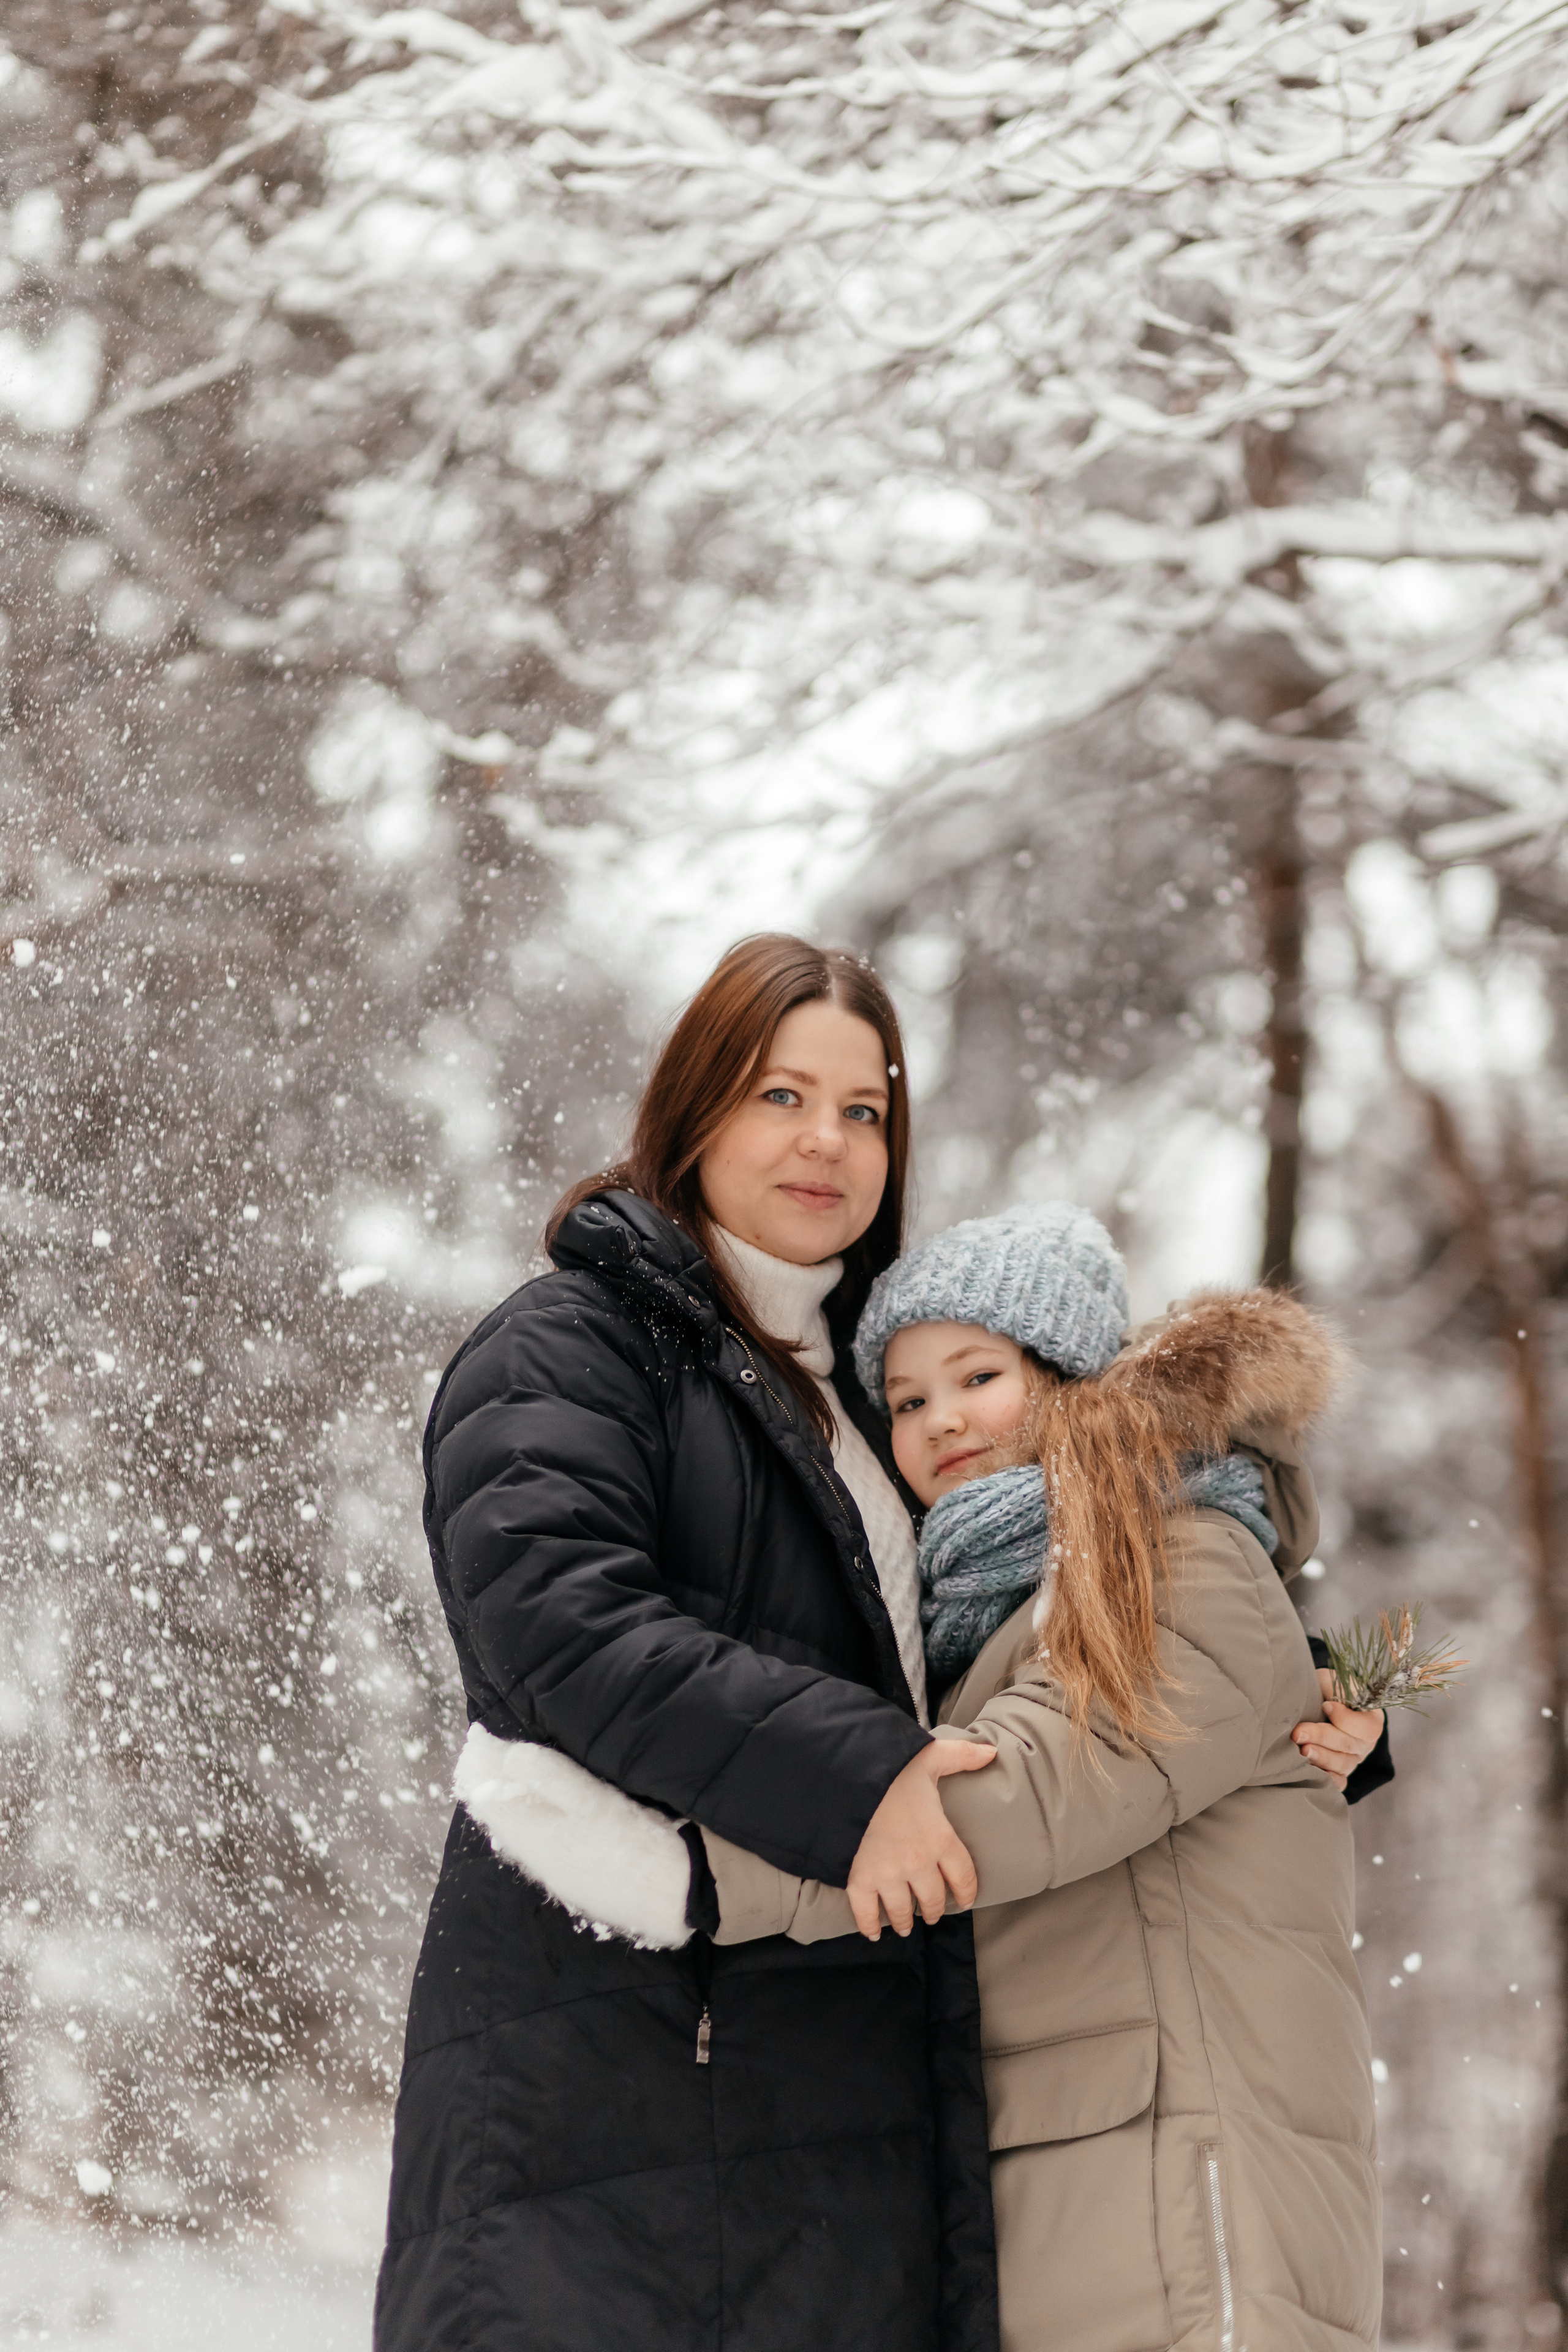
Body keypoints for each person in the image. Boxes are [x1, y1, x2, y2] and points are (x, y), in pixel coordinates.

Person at [375, 935, 1386, 2352]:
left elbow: (1067, 1632)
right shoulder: (576, 1344)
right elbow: (558, 1622)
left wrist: (1320, 1697)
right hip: (620, 2088)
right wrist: (862, 1782)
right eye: (779, 1095)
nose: (825, 1144)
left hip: (837, 2150)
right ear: (693, 1105)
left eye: (863, 1112)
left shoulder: (854, 1393)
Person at [703, 1206, 1384, 2352]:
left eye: (979, 1373)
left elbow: (1018, 1799)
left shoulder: (1176, 1549)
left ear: (1069, 1376)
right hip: (1095, 2160)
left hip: (1195, 2169)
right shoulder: (989, 1603)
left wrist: (697, 1875)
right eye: (908, 1399)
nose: (943, 1418)